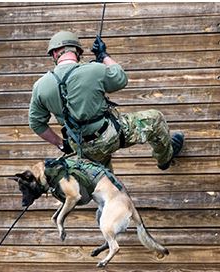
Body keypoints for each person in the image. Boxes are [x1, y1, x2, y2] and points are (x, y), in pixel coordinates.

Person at [29, 31, 184, 170]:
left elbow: (36, 123)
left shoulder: (40, 86)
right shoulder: (95, 69)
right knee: (155, 118)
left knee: (106, 182)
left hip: (80, 147)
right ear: (77, 51)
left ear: (55, 53)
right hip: (109, 135)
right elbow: (120, 78)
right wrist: (103, 56)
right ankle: (164, 158)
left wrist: (62, 144)